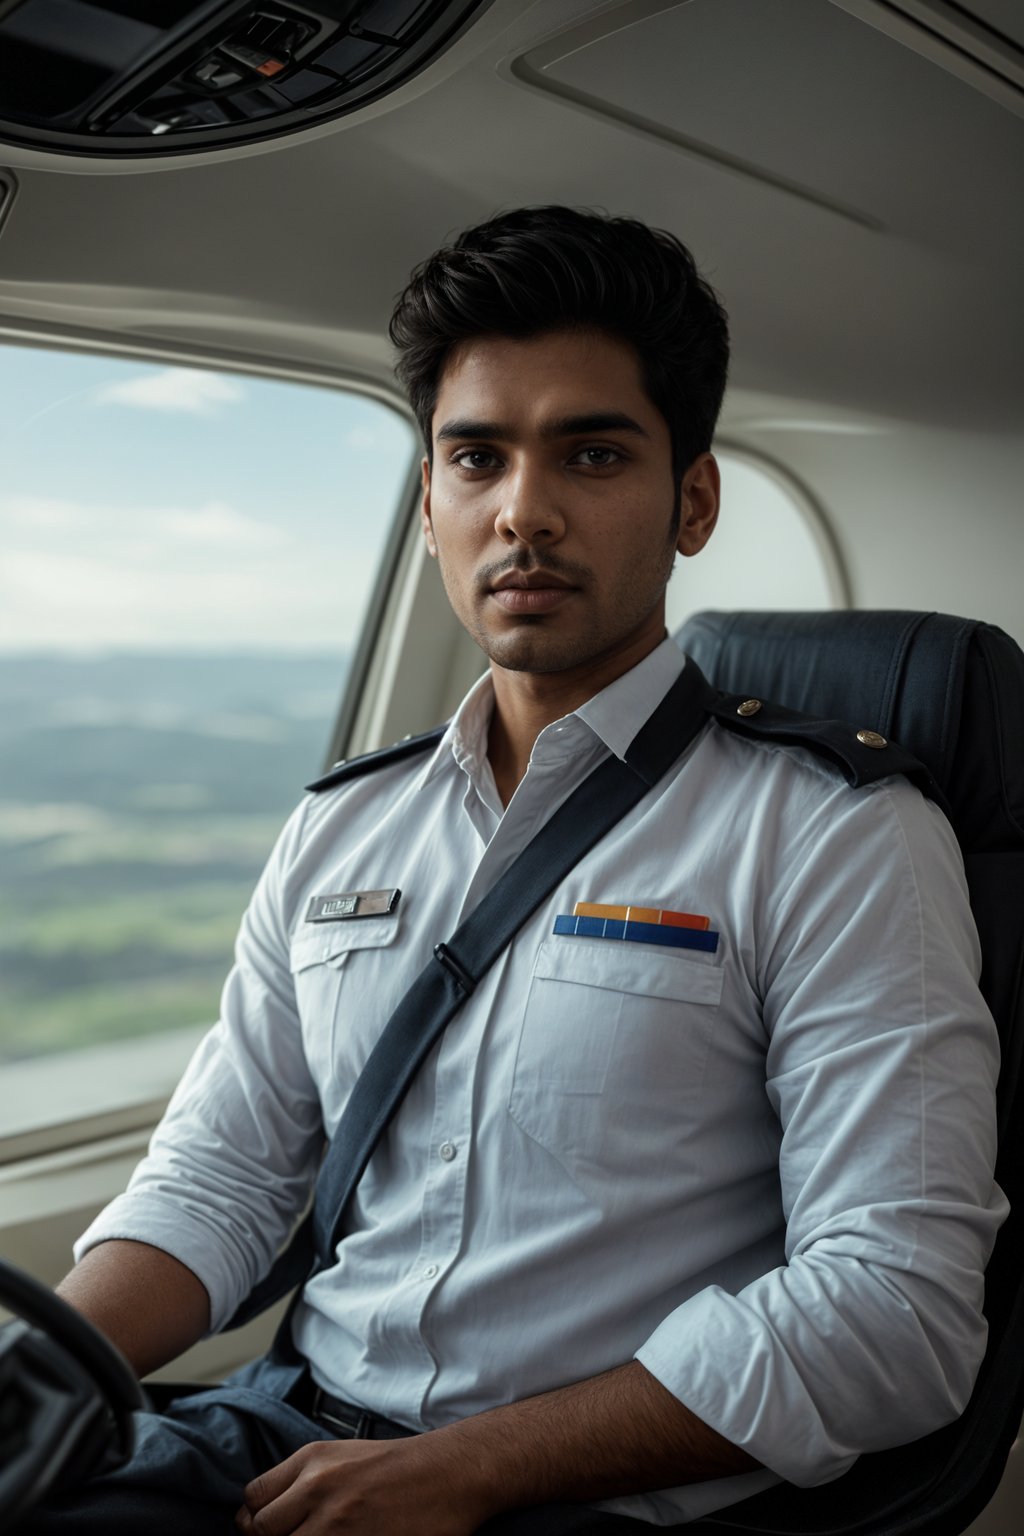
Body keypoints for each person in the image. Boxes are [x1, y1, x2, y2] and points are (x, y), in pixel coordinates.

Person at [27, 207, 1005, 1535]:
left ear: (693, 500)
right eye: (476, 458)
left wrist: (468, 1470)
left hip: (577, 1495)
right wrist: (40, 1382)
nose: (524, 511)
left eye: (592, 454)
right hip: (279, 1432)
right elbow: (228, 1176)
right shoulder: (343, 827)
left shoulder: (832, 834)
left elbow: (894, 1311)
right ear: (429, 499)